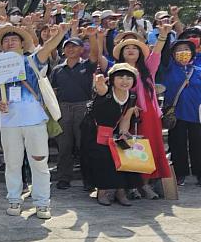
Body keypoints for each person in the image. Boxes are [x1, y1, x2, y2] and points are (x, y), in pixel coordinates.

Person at [0, 21, 71, 219]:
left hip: (34, 121)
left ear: (23, 43)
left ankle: (42, 203)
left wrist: (61, 33)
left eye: (14, 39)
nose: (10, 43)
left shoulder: (32, 61)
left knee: (39, 162)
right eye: (6, 40)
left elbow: (49, 47)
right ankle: (14, 199)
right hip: (9, 122)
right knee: (13, 163)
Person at [109, 25, 172, 198]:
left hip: (148, 115)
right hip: (126, 116)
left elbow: (157, 53)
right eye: (127, 48)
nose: (130, 50)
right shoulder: (116, 71)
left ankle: (144, 185)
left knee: (149, 149)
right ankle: (131, 186)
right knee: (129, 148)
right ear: (121, 53)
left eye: (134, 48)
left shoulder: (147, 69)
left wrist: (163, 35)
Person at [84, 65, 141, 206]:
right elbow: (100, 87)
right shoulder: (106, 91)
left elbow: (126, 118)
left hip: (115, 132)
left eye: (129, 77)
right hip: (96, 132)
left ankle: (120, 193)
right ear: (113, 79)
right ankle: (101, 192)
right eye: (120, 77)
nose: (124, 81)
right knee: (102, 161)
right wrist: (99, 82)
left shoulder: (132, 96)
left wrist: (123, 134)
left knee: (123, 157)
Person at [50, 31, 100, 190]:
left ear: (81, 49)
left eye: (75, 46)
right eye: (67, 47)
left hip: (83, 107)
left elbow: (95, 53)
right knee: (64, 146)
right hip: (63, 108)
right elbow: (54, 91)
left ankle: (89, 180)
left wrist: (92, 36)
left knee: (84, 145)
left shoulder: (87, 65)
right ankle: (64, 177)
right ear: (63, 50)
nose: (71, 49)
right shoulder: (57, 69)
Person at [163, 39, 201, 185]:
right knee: (177, 143)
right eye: (179, 49)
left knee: (198, 144)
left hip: (196, 114)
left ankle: (199, 173)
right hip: (175, 114)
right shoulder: (168, 68)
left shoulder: (198, 69)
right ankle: (180, 173)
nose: (183, 52)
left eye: (186, 49)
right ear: (173, 54)